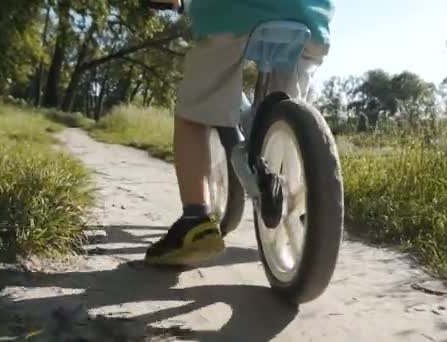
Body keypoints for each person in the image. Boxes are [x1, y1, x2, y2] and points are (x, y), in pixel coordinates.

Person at [144, 0, 336, 265]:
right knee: (285, 117)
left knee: (193, 113)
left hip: (232, 13)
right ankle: (302, 194)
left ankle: (195, 221)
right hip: (311, 18)